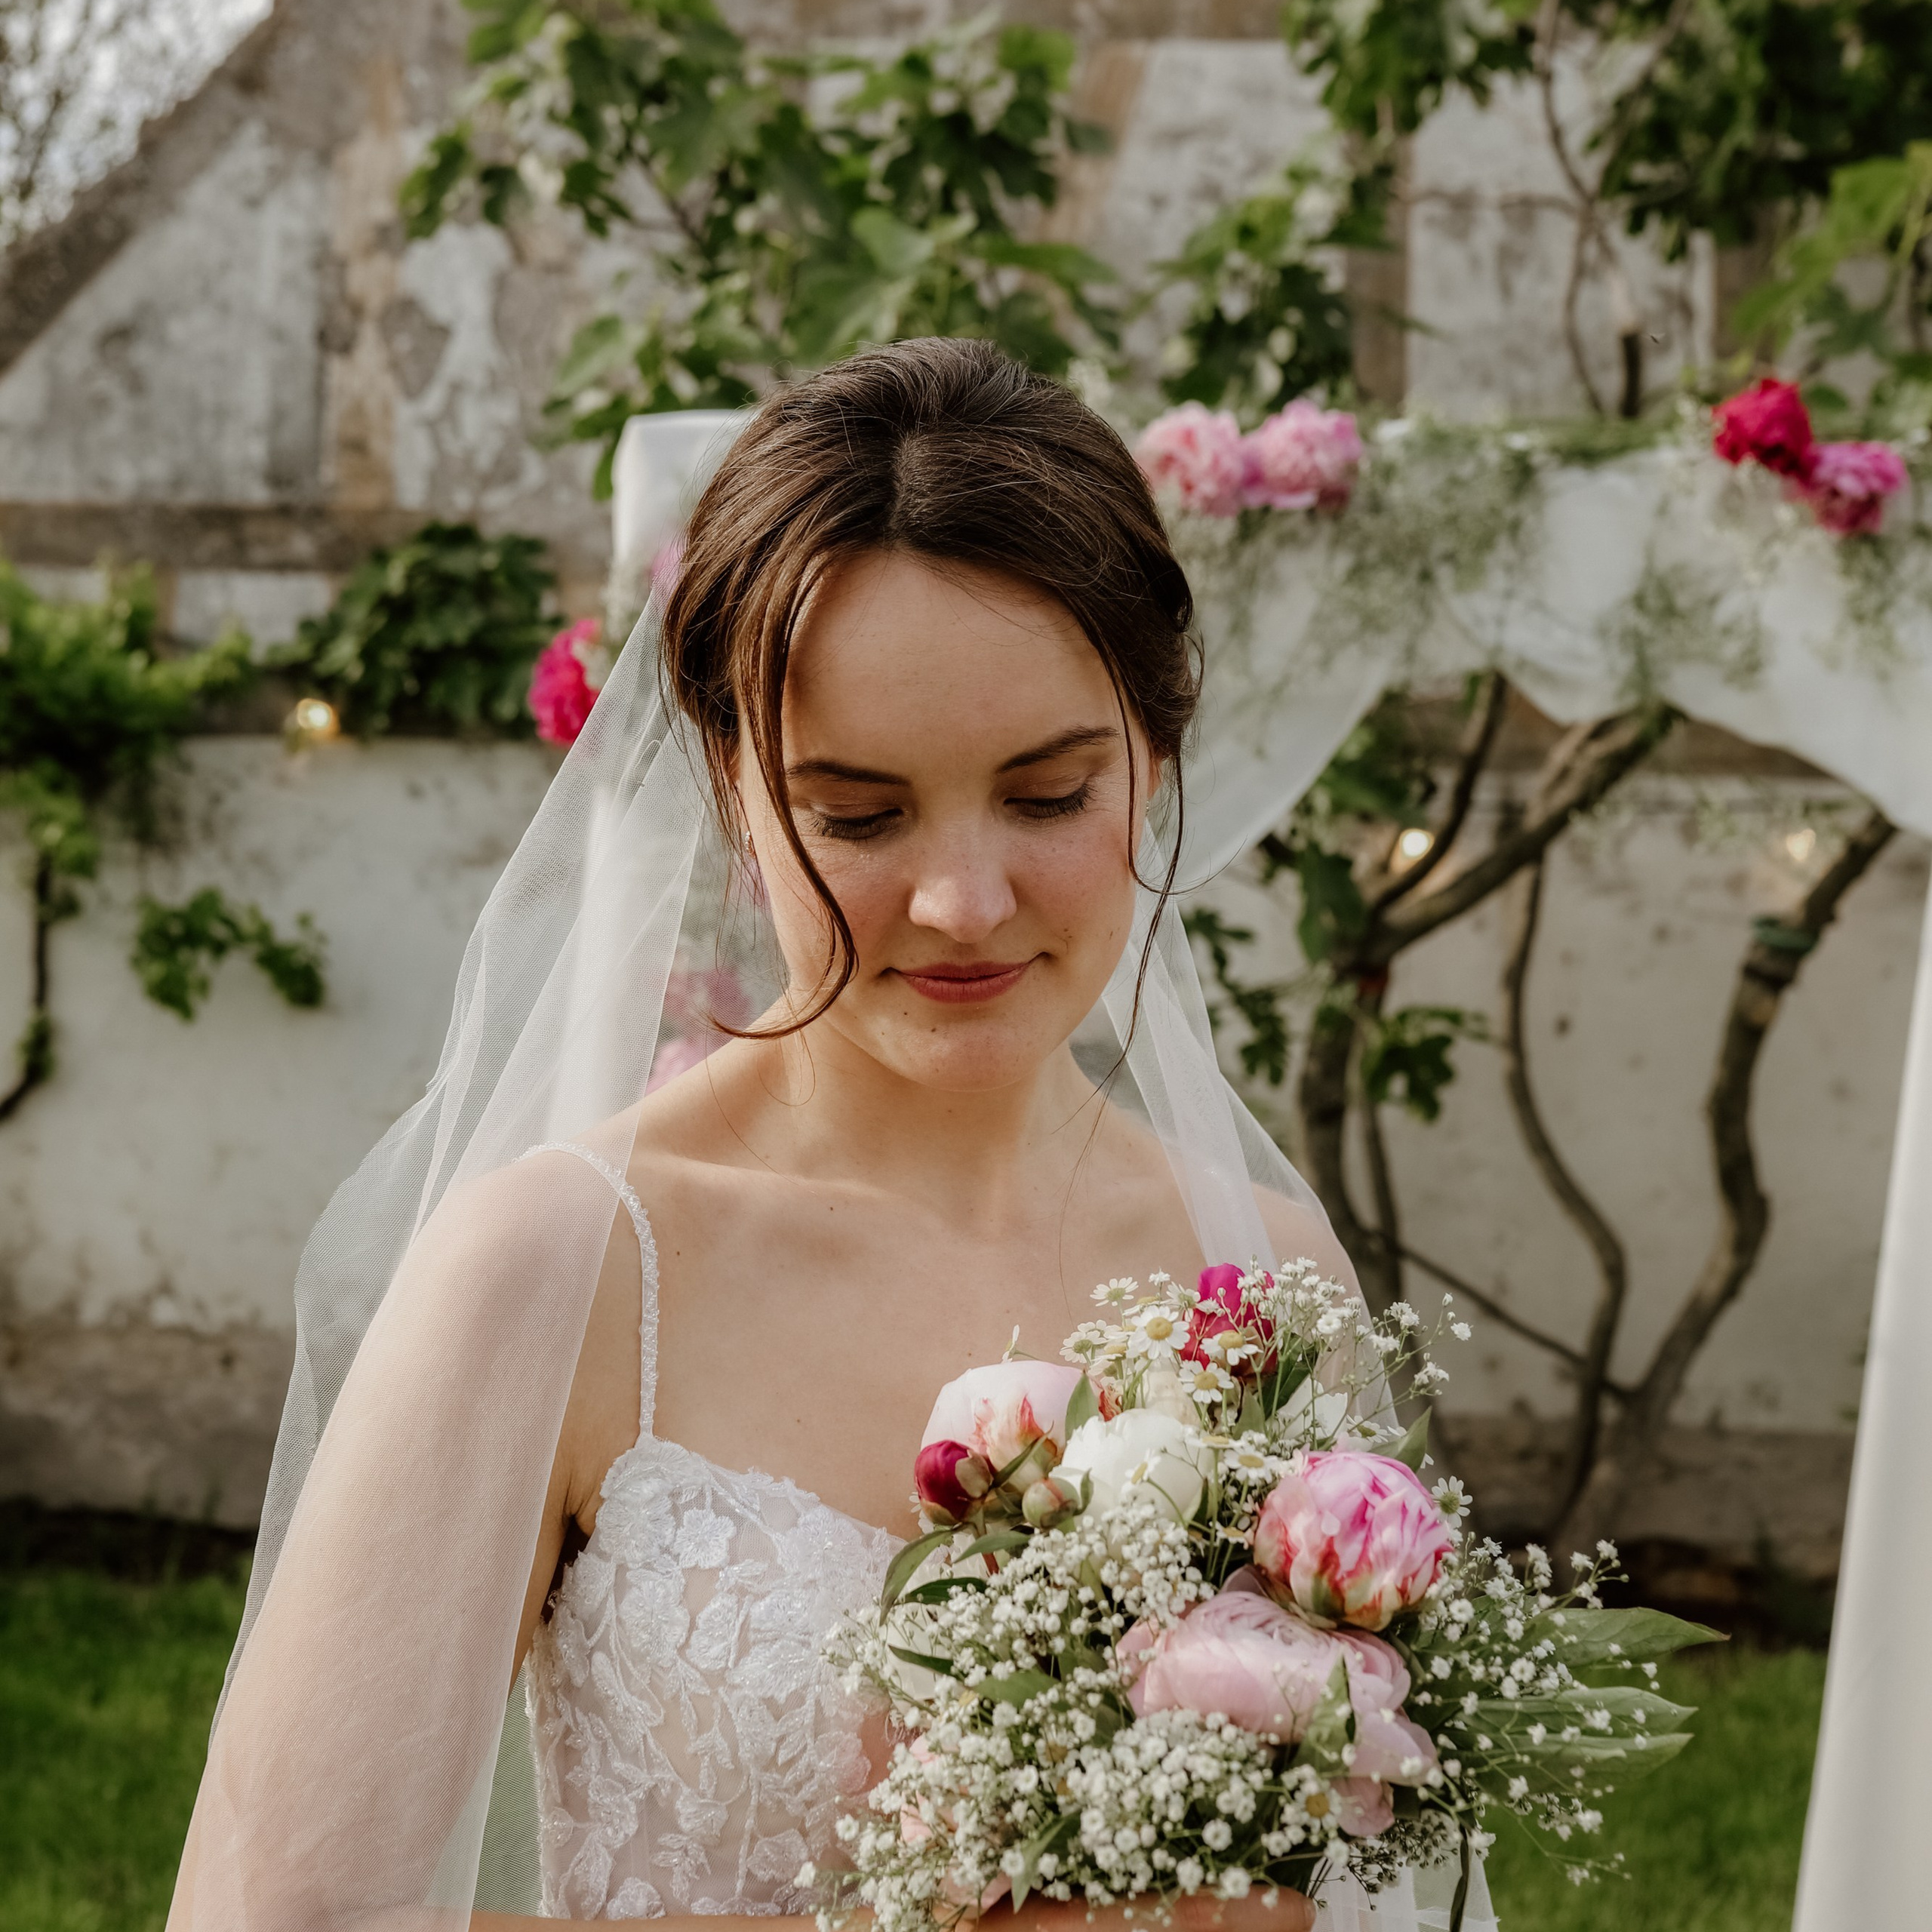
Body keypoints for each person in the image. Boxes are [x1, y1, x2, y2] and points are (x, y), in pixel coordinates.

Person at [168, 340, 1488, 1931]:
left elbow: (1382, 1876)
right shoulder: (560, 1266)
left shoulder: (1261, 1279)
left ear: (1154, 754)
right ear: (733, 792)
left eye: (1048, 794)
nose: (960, 898)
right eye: (857, 814)